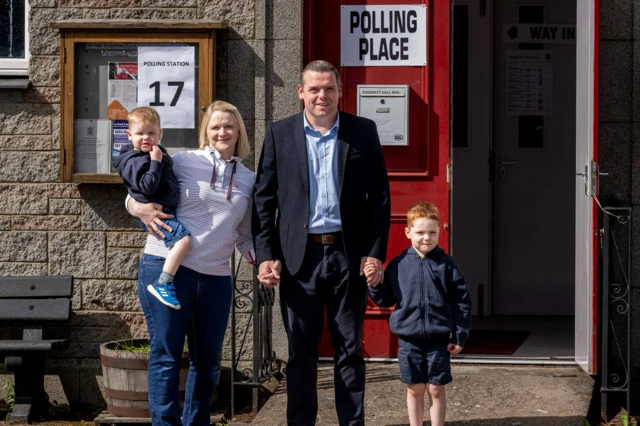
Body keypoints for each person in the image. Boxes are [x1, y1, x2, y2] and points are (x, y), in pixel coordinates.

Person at [252, 59, 391, 426]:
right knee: (301, 352)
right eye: (314, 89)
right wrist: (267, 254)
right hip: (300, 259)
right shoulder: (280, 133)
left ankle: (352, 422)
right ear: (300, 92)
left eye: (329, 88)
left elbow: (379, 199)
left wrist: (374, 253)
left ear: (340, 91)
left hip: (348, 257)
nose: (322, 96)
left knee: (349, 350)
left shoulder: (362, 131)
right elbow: (264, 201)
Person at [126, 101, 255, 426]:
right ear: (206, 132)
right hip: (166, 270)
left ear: (238, 130)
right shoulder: (182, 161)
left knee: (208, 362)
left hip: (215, 279)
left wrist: (263, 262)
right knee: (167, 357)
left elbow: (244, 234)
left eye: (228, 126)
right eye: (215, 126)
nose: (222, 132)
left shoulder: (250, 180)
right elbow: (137, 186)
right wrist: (133, 206)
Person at [366, 201, 471, 426]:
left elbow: (462, 302)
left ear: (439, 232)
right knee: (414, 388)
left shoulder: (448, 265)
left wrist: (459, 335)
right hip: (409, 340)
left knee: (435, 388)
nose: (426, 237)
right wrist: (374, 284)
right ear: (408, 232)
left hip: (439, 340)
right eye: (420, 232)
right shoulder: (398, 265)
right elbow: (386, 300)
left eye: (432, 232)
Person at [113, 106, 191, 310]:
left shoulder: (154, 154)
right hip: (158, 213)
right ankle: (163, 283)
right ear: (129, 135)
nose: (146, 138)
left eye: (151, 133)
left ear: (160, 134)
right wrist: (156, 162)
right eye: (140, 133)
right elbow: (147, 186)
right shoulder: (134, 160)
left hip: (164, 208)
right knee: (183, 242)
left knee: (182, 243)